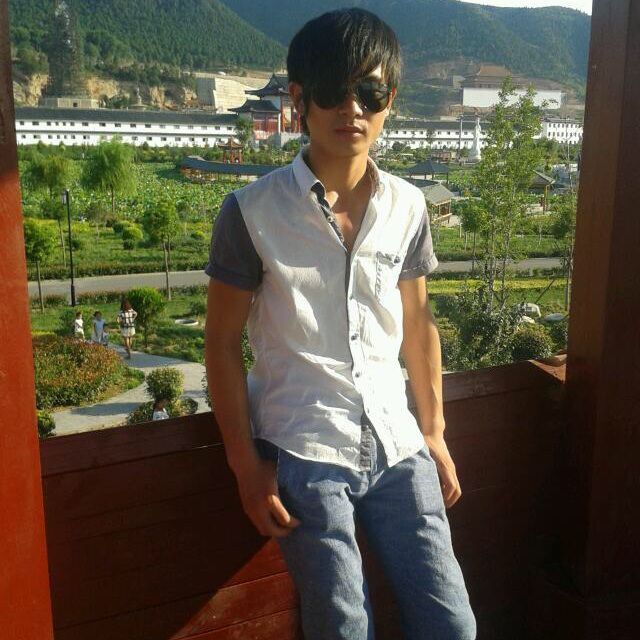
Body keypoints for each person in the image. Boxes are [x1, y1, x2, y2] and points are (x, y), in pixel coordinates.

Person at [204, 8, 475, 640]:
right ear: (300, 99)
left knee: (452, 623)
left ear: (390, 100)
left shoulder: (408, 205)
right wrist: (245, 466)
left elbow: (417, 323)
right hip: (305, 448)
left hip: (398, 443)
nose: (351, 107)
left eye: (369, 91)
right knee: (342, 627)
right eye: (331, 89)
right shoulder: (251, 211)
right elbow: (220, 344)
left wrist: (434, 432)